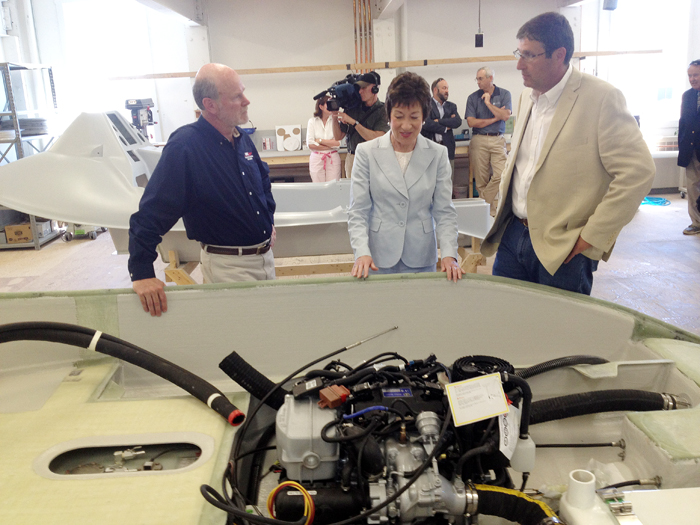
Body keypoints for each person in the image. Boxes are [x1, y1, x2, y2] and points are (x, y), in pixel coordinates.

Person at [480, 12, 655, 295]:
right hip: (514, 235)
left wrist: (592, 236)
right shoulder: (527, 96)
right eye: (519, 53)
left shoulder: (600, 98)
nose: (518, 65)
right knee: (507, 324)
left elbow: (639, 173)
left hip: (565, 247)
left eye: (529, 55)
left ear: (559, 55)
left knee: (559, 334)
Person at [128, 63, 276, 317]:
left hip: (265, 258)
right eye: (237, 96)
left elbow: (262, 183)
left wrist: (268, 222)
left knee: (267, 331)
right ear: (211, 105)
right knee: (242, 338)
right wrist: (141, 273)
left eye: (243, 92)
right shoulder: (186, 147)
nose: (246, 101)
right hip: (228, 267)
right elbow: (152, 211)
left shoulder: (241, 138)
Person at [347, 71, 463, 282]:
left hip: (421, 255)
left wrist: (449, 254)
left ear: (424, 116)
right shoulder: (366, 152)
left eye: (414, 117)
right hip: (377, 257)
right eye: (399, 117)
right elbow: (358, 211)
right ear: (388, 114)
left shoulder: (438, 154)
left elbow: (444, 211)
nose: (406, 126)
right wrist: (361, 252)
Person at [465, 67, 512, 215]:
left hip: (498, 139)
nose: (478, 82)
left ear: (490, 78)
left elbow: (505, 116)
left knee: (501, 174)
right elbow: (471, 122)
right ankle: (489, 213)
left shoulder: (504, 94)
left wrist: (488, 104)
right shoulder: (472, 98)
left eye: (480, 78)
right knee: (481, 181)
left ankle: (482, 204)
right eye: (477, 79)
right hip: (479, 139)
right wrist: (494, 117)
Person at [332, 71, 390, 178]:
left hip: (374, 158)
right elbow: (338, 136)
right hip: (353, 157)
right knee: (352, 193)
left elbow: (376, 137)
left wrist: (354, 123)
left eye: (364, 88)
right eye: (359, 88)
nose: (360, 91)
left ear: (374, 89)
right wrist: (334, 117)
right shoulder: (352, 109)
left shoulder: (383, 110)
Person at [421, 78, 463, 193]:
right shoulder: (425, 105)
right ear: (435, 90)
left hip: (447, 148)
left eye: (447, 88)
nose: (447, 91)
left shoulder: (451, 106)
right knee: (430, 184)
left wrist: (438, 121)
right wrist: (446, 127)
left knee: (447, 182)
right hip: (430, 149)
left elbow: (457, 122)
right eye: (444, 88)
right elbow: (426, 124)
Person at [678, 59, 700, 235]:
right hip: (691, 150)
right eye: (690, 75)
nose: (692, 79)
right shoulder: (687, 96)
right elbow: (683, 124)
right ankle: (696, 222)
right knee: (692, 187)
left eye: (696, 75)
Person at [306, 96, 341, 182]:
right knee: (318, 188)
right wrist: (330, 145)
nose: (330, 106)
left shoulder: (336, 121)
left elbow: (338, 143)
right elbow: (310, 144)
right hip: (317, 158)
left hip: (332, 157)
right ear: (321, 107)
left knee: (333, 187)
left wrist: (321, 141)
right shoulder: (312, 121)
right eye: (327, 104)